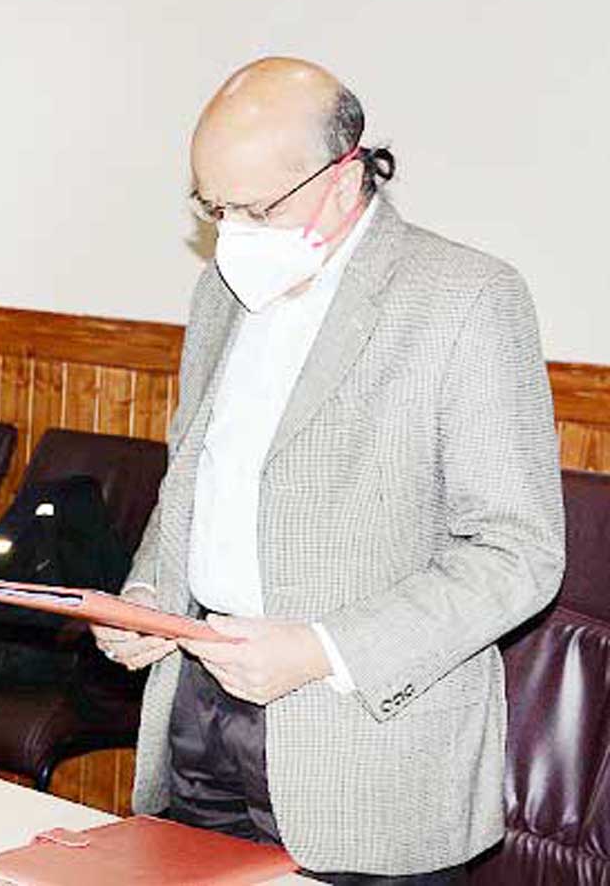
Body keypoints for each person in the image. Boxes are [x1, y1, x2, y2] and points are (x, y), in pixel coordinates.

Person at [92, 58, 564, 883]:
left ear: (344, 178)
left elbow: (517, 553)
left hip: (364, 748)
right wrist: (147, 600)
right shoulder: (222, 293)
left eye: (253, 207)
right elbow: (193, 482)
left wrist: (322, 650)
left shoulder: (466, 298)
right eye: (214, 207)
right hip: (200, 715)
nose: (230, 231)